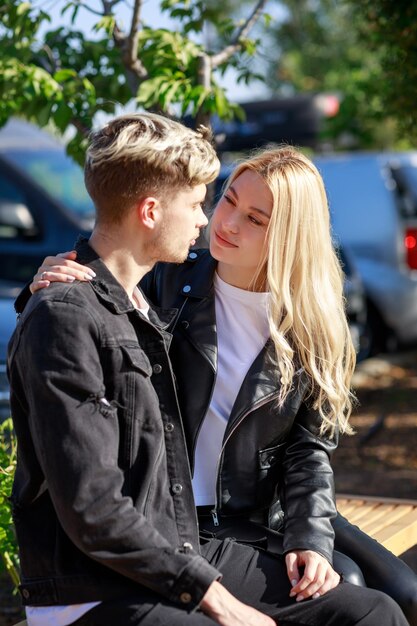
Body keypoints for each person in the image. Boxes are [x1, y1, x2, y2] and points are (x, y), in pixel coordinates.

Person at [10, 115, 409, 626]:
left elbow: (309, 449)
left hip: (238, 515)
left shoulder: (309, 321)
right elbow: (89, 290)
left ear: (288, 237)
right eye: (219, 201)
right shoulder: (166, 284)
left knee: (385, 603)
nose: (216, 222)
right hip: (152, 541)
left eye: (255, 219)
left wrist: (308, 536)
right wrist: (42, 290)